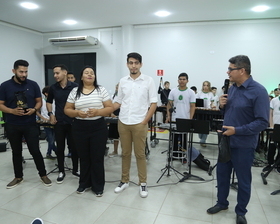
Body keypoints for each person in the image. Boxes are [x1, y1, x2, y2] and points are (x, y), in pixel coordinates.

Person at [207, 55, 269, 224]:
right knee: (222, 175)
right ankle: (222, 203)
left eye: (231, 69)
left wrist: (237, 131)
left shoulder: (259, 91)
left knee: (243, 180)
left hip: (244, 145)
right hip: (226, 141)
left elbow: (263, 122)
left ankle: (241, 211)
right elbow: (229, 113)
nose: (228, 72)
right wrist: (221, 106)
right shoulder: (232, 88)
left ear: (242, 70)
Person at [0, 59, 52, 188]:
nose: (24, 74)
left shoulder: (33, 84)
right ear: (14, 71)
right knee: (16, 152)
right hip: (12, 124)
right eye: (21, 71)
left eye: (26, 72)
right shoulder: (5, 86)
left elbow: (39, 101)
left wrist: (34, 109)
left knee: (35, 150)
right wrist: (11, 110)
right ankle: (18, 177)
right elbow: (0, 105)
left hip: (30, 124)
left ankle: (43, 175)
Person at [113, 52, 157, 198]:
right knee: (125, 153)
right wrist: (104, 108)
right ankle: (124, 180)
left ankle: (142, 183)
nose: (133, 65)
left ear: (141, 64)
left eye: (136, 63)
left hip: (139, 123)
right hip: (123, 122)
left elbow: (153, 103)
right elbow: (118, 102)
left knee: (140, 154)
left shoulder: (148, 80)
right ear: (127, 64)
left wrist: (145, 121)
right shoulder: (123, 81)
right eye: (131, 63)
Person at [64, 65, 113, 196]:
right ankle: (84, 183)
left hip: (98, 127)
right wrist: (77, 113)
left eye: (92, 73)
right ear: (81, 77)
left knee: (97, 158)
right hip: (80, 127)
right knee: (84, 157)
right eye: (86, 73)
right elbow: (67, 109)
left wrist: (98, 111)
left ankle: (98, 186)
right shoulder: (75, 91)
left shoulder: (100, 90)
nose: (90, 74)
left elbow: (110, 108)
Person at [166, 73, 210, 170]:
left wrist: (190, 118)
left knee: (184, 139)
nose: (182, 81)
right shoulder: (173, 91)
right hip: (174, 119)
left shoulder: (190, 92)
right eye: (180, 79)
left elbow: (192, 106)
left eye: (184, 79)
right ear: (178, 80)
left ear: (187, 81)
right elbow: (169, 105)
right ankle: (174, 155)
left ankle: (184, 156)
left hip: (185, 119)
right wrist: (168, 116)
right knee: (174, 138)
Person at [46, 64, 79, 184]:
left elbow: (80, 102)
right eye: (54, 73)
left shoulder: (75, 87)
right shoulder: (53, 88)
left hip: (73, 121)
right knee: (60, 148)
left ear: (65, 73)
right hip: (59, 121)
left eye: (57, 73)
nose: (55, 75)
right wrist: (51, 114)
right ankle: (61, 171)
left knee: (74, 147)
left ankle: (76, 169)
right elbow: (49, 102)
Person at [36, 86, 57, 159]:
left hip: (54, 122)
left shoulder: (54, 100)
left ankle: (49, 152)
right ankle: (54, 151)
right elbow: (36, 111)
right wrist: (43, 118)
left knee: (52, 139)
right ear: (46, 93)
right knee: (50, 139)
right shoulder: (42, 101)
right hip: (46, 123)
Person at [262, 94, 280, 173]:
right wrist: (271, 126)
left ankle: (278, 165)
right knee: (272, 146)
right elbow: (270, 114)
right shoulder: (274, 100)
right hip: (275, 127)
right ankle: (270, 163)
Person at [196, 81, 214, 147]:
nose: (205, 87)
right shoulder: (199, 93)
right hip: (200, 112)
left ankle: (203, 141)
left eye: (207, 85)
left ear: (209, 86)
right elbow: (196, 102)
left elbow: (212, 103)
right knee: (199, 126)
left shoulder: (211, 94)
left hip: (208, 112)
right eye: (204, 85)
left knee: (206, 126)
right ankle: (201, 138)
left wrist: (212, 106)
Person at [108, 83, 121, 158]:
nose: (117, 88)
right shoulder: (113, 96)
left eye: (118, 86)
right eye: (116, 86)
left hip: (122, 116)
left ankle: (125, 152)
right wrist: (111, 113)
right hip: (114, 116)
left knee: (124, 136)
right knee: (115, 136)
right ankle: (115, 151)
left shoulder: (125, 96)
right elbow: (110, 106)